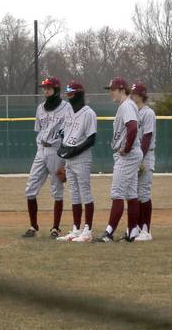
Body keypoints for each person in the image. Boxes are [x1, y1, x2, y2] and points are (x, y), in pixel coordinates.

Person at [94, 78, 142, 243]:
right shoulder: (127, 105)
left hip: (128, 155)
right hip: (132, 153)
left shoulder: (126, 105)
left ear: (122, 89)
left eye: (113, 89)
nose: (110, 93)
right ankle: (132, 233)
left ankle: (109, 233)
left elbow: (133, 127)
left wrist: (127, 148)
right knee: (131, 194)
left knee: (117, 193)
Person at [23, 76, 70, 239]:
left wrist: (65, 158)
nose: (46, 90)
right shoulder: (40, 108)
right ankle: (33, 226)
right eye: (44, 88)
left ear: (56, 89)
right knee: (30, 189)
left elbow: (69, 132)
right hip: (41, 149)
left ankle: (55, 228)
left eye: (49, 88)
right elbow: (39, 129)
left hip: (57, 151)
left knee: (57, 190)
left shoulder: (66, 108)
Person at [56, 81, 97, 242]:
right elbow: (64, 134)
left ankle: (88, 230)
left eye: (72, 93)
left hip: (82, 158)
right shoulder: (68, 112)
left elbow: (91, 139)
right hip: (69, 158)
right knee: (73, 193)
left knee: (85, 192)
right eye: (67, 93)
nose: (69, 96)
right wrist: (63, 148)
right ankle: (76, 229)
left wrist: (75, 150)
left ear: (79, 93)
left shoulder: (89, 113)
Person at [130, 82, 156, 241]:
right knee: (134, 193)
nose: (131, 96)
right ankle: (138, 228)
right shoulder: (132, 111)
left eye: (134, 93)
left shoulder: (148, 113)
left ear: (141, 95)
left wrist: (140, 158)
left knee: (143, 192)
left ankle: (146, 230)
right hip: (135, 155)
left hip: (145, 155)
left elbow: (147, 137)